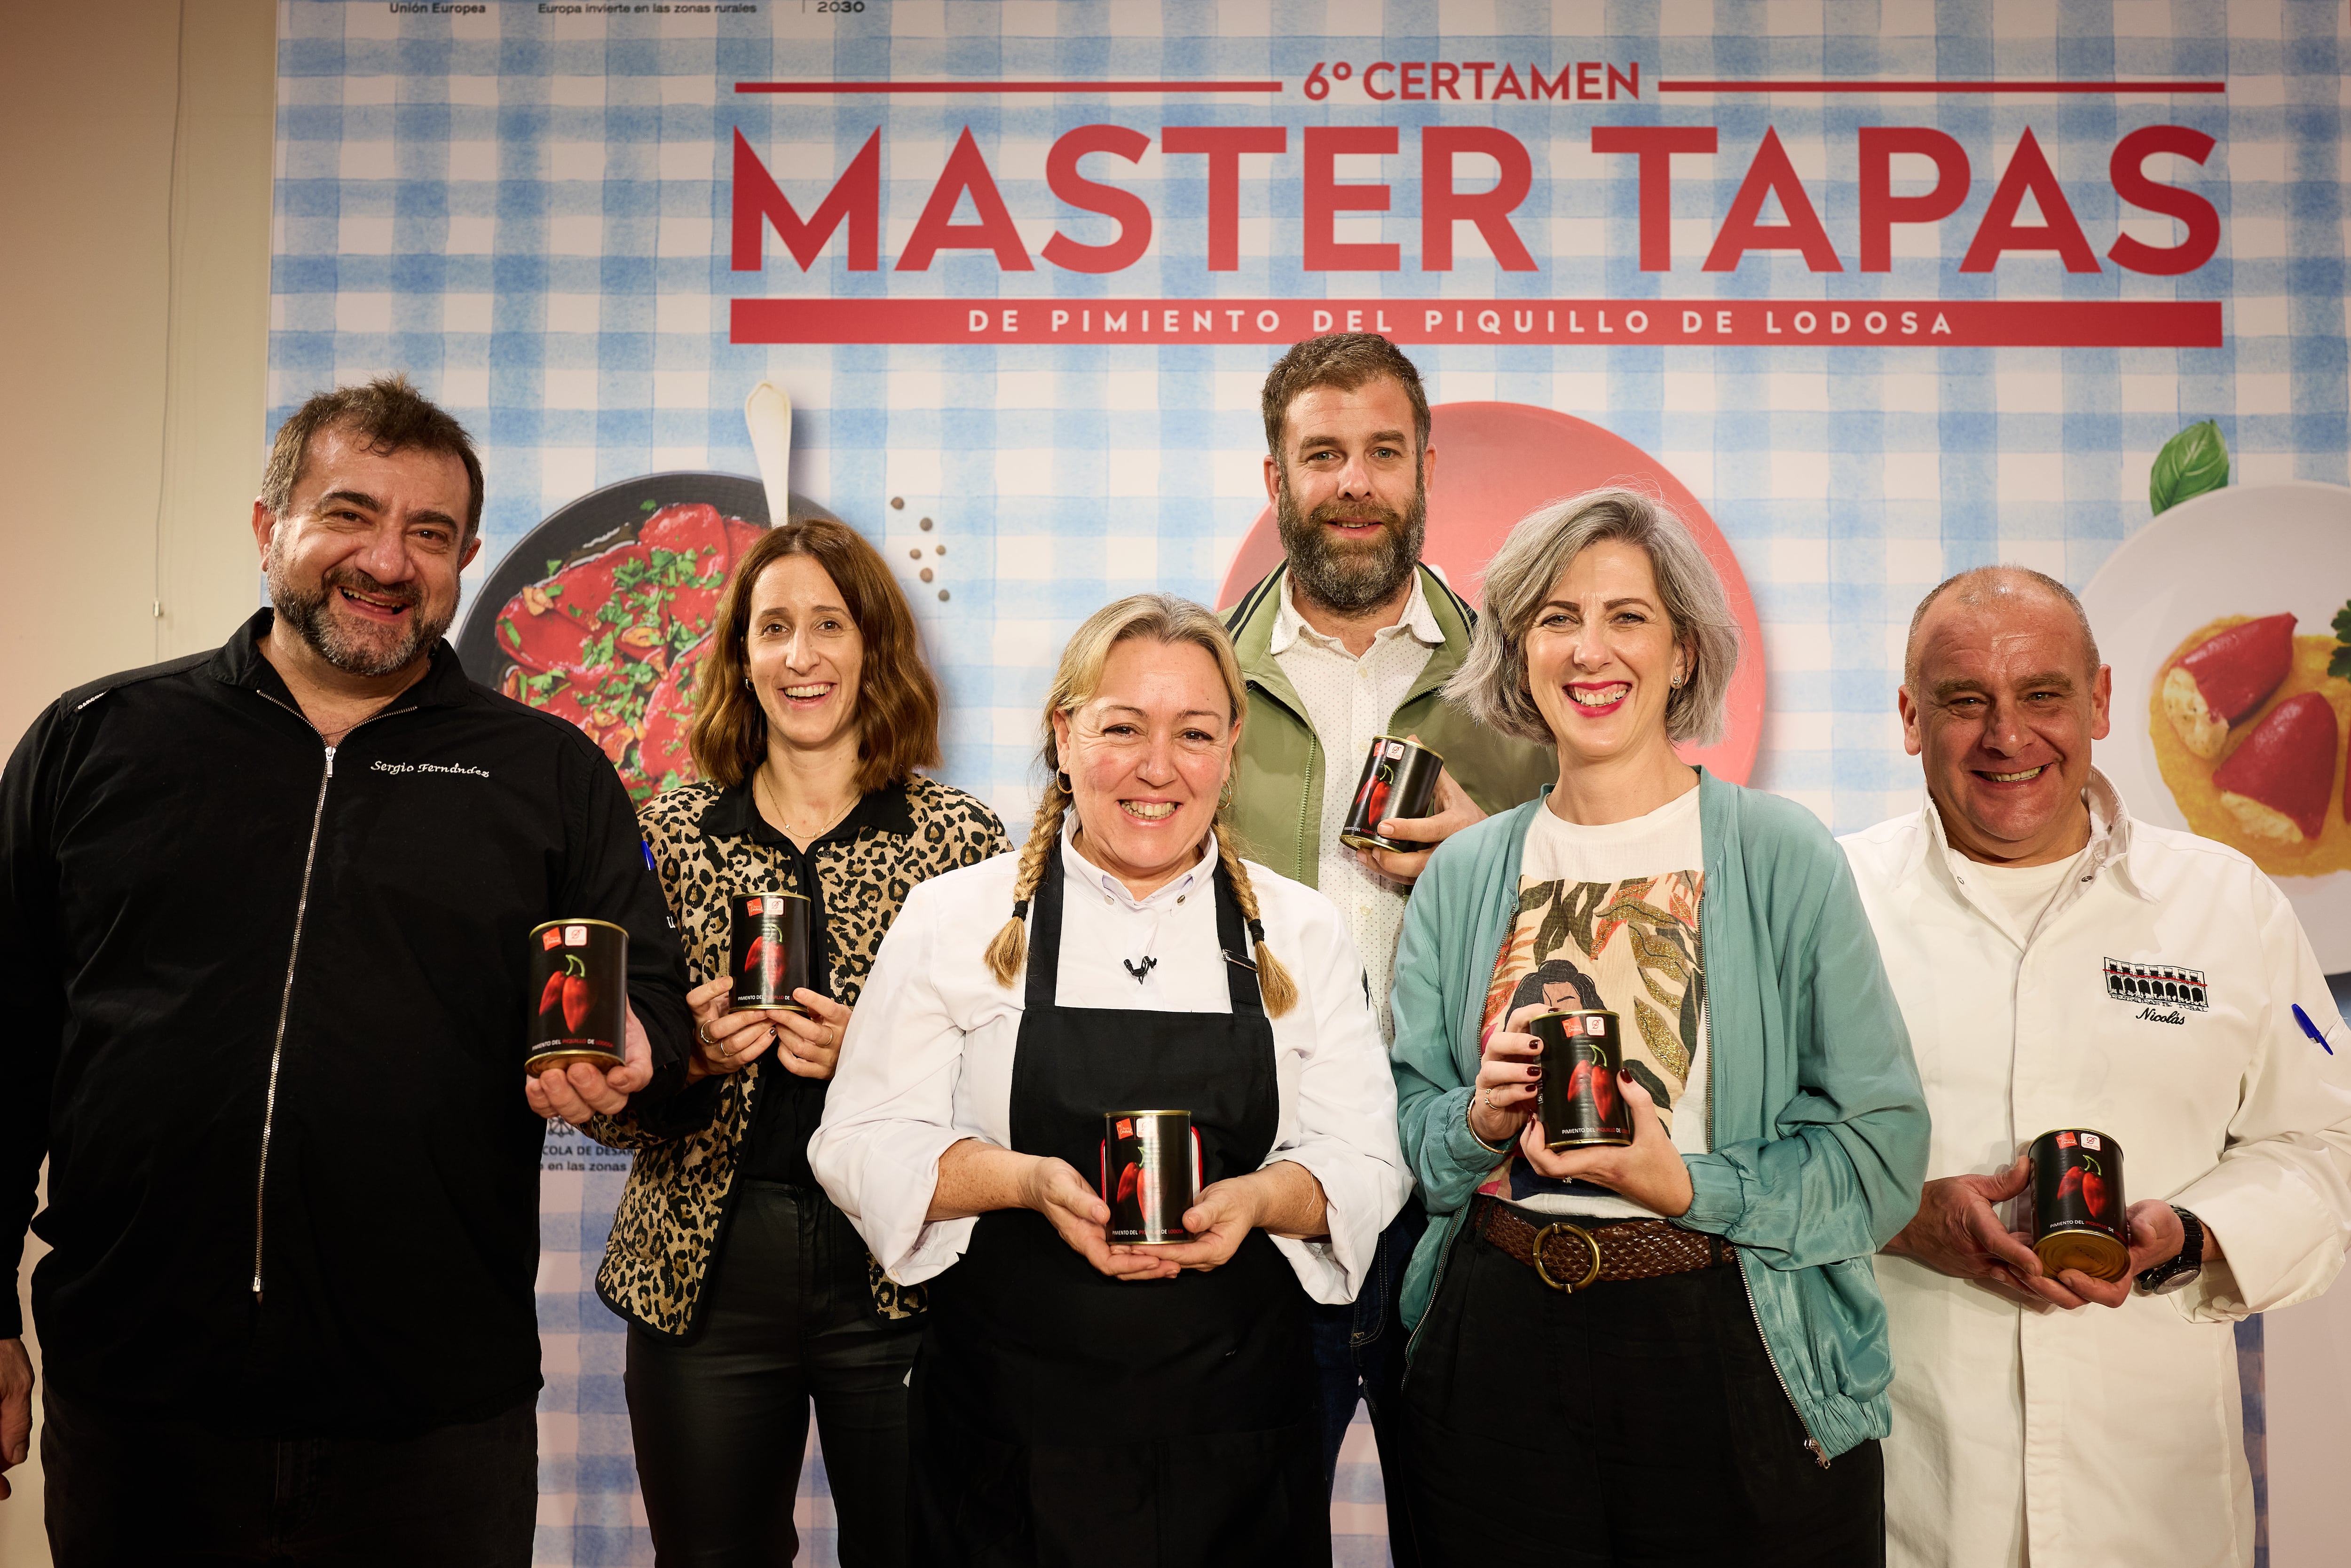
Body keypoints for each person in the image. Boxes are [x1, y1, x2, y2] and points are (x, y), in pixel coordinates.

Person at [0, 376, 692, 1565]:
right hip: (142, 1394)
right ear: (269, 527)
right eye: (349, 514)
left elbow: (664, 1024)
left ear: (466, 559)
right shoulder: (97, 737)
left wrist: (647, 1054)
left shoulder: (549, 772)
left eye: (429, 535)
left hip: (433, 1414)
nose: (388, 560)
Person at [811, 594, 1410, 1567]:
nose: (1157, 768)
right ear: (1063, 735)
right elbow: (860, 1140)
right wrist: (1025, 1181)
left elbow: (1365, 1163)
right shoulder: (953, 918)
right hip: (1008, 1446)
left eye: (1193, 734)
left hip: (1238, 1444)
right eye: (1121, 728)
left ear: (1228, 752)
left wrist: (1260, 1198)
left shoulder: (1300, 932)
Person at [1389, 489, 1929, 1564]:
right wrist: (1475, 1121)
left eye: (1627, 616)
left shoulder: (1783, 856)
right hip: (1495, 1352)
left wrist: (1679, 1182)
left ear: (1683, 651)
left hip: (1726, 1343)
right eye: (1555, 617)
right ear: (1517, 651)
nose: (1591, 650)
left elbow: (1880, 1158)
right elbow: (1408, 1126)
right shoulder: (1459, 876)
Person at [1842, 566, 2351, 1568]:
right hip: (1902, 1510)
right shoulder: (1827, 902)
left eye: (2042, 695)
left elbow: (2322, 1148)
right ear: (1908, 717)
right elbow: (1737, 1156)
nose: (2008, 735)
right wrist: (1896, 1217)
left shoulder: (2228, 903)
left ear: (2100, 703)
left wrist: (2189, 1236)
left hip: (2154, 1516)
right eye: (1963, 702)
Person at [581, 519, 1006, 1567]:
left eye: (828, 624)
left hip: (905, 1272)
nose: (801, 656)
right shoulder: (670, 832)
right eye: (774, 629)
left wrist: (876, 1062)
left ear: (875, 648)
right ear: (740, 656)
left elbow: (1013, 1085)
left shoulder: (961, 841)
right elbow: (609, 1097)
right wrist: (692, 1059)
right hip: (704, 1278)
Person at [1222, 333, 1554, 1548]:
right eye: (1323, 456)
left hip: (1473, 1199)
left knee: (1478, 1538)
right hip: (1264, 1186)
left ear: (1425, 469)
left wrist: (1497, 855)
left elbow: (1617, 925)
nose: (1354, 482)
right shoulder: (1194, 684)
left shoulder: (1523, 686)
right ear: (1277, 483)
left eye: (1381, 452)